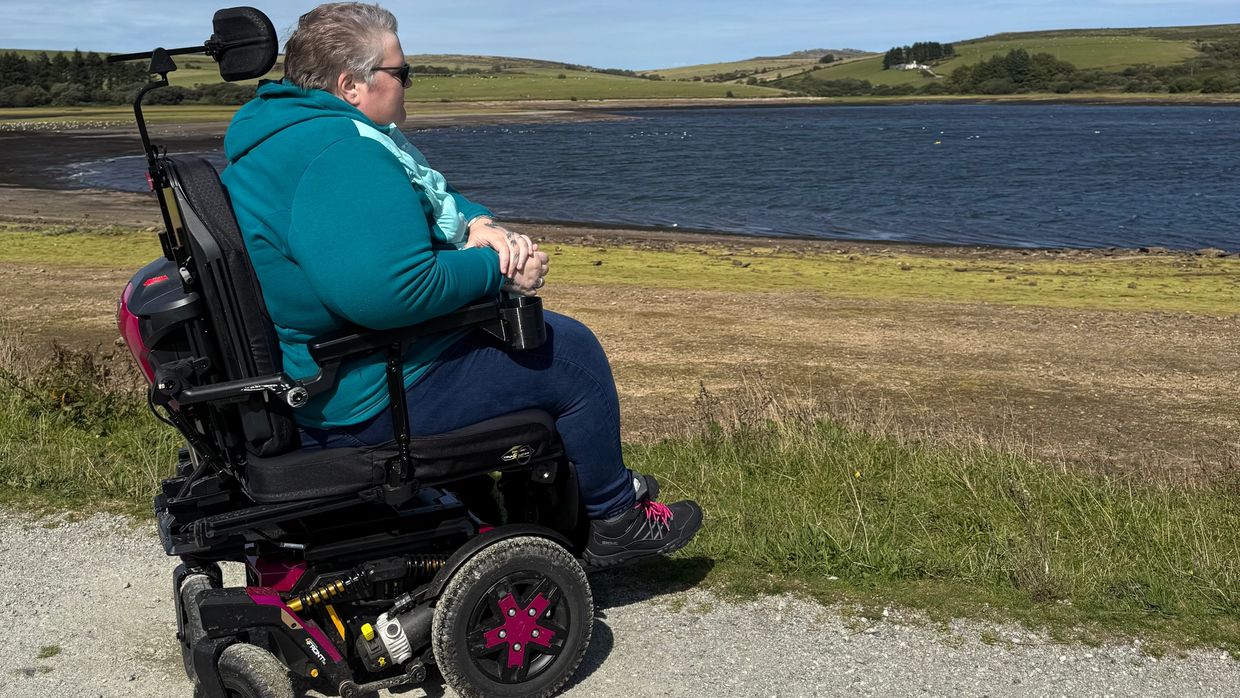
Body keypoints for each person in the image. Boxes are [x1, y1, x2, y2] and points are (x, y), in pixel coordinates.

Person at [220, 1, 701, 567]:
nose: (407, 84)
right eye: (400, 73)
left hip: (326, 371)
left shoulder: (288, 133)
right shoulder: (341, 155)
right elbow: (394, 290)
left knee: (536, 346)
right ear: (352, 84)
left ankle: (551, 503)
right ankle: (616, 517)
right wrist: (495, 269)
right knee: (570, 354)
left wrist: (479, 225)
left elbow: (424, 202)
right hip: (361, 394)